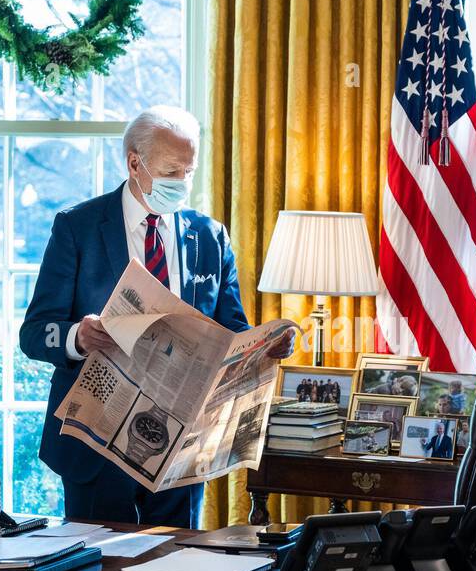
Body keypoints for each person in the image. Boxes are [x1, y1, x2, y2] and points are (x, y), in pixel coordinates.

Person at [19, 105, 293, 527]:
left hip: (182, 445)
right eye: (171, 171)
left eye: (188, 171)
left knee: (176, 570)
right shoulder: (78, 227)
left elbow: (231, 328)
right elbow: (35, 333)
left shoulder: (209, 236)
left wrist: (264, 345)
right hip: (96, 444)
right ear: (135, 163)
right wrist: (78, 336)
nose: (181, 182)